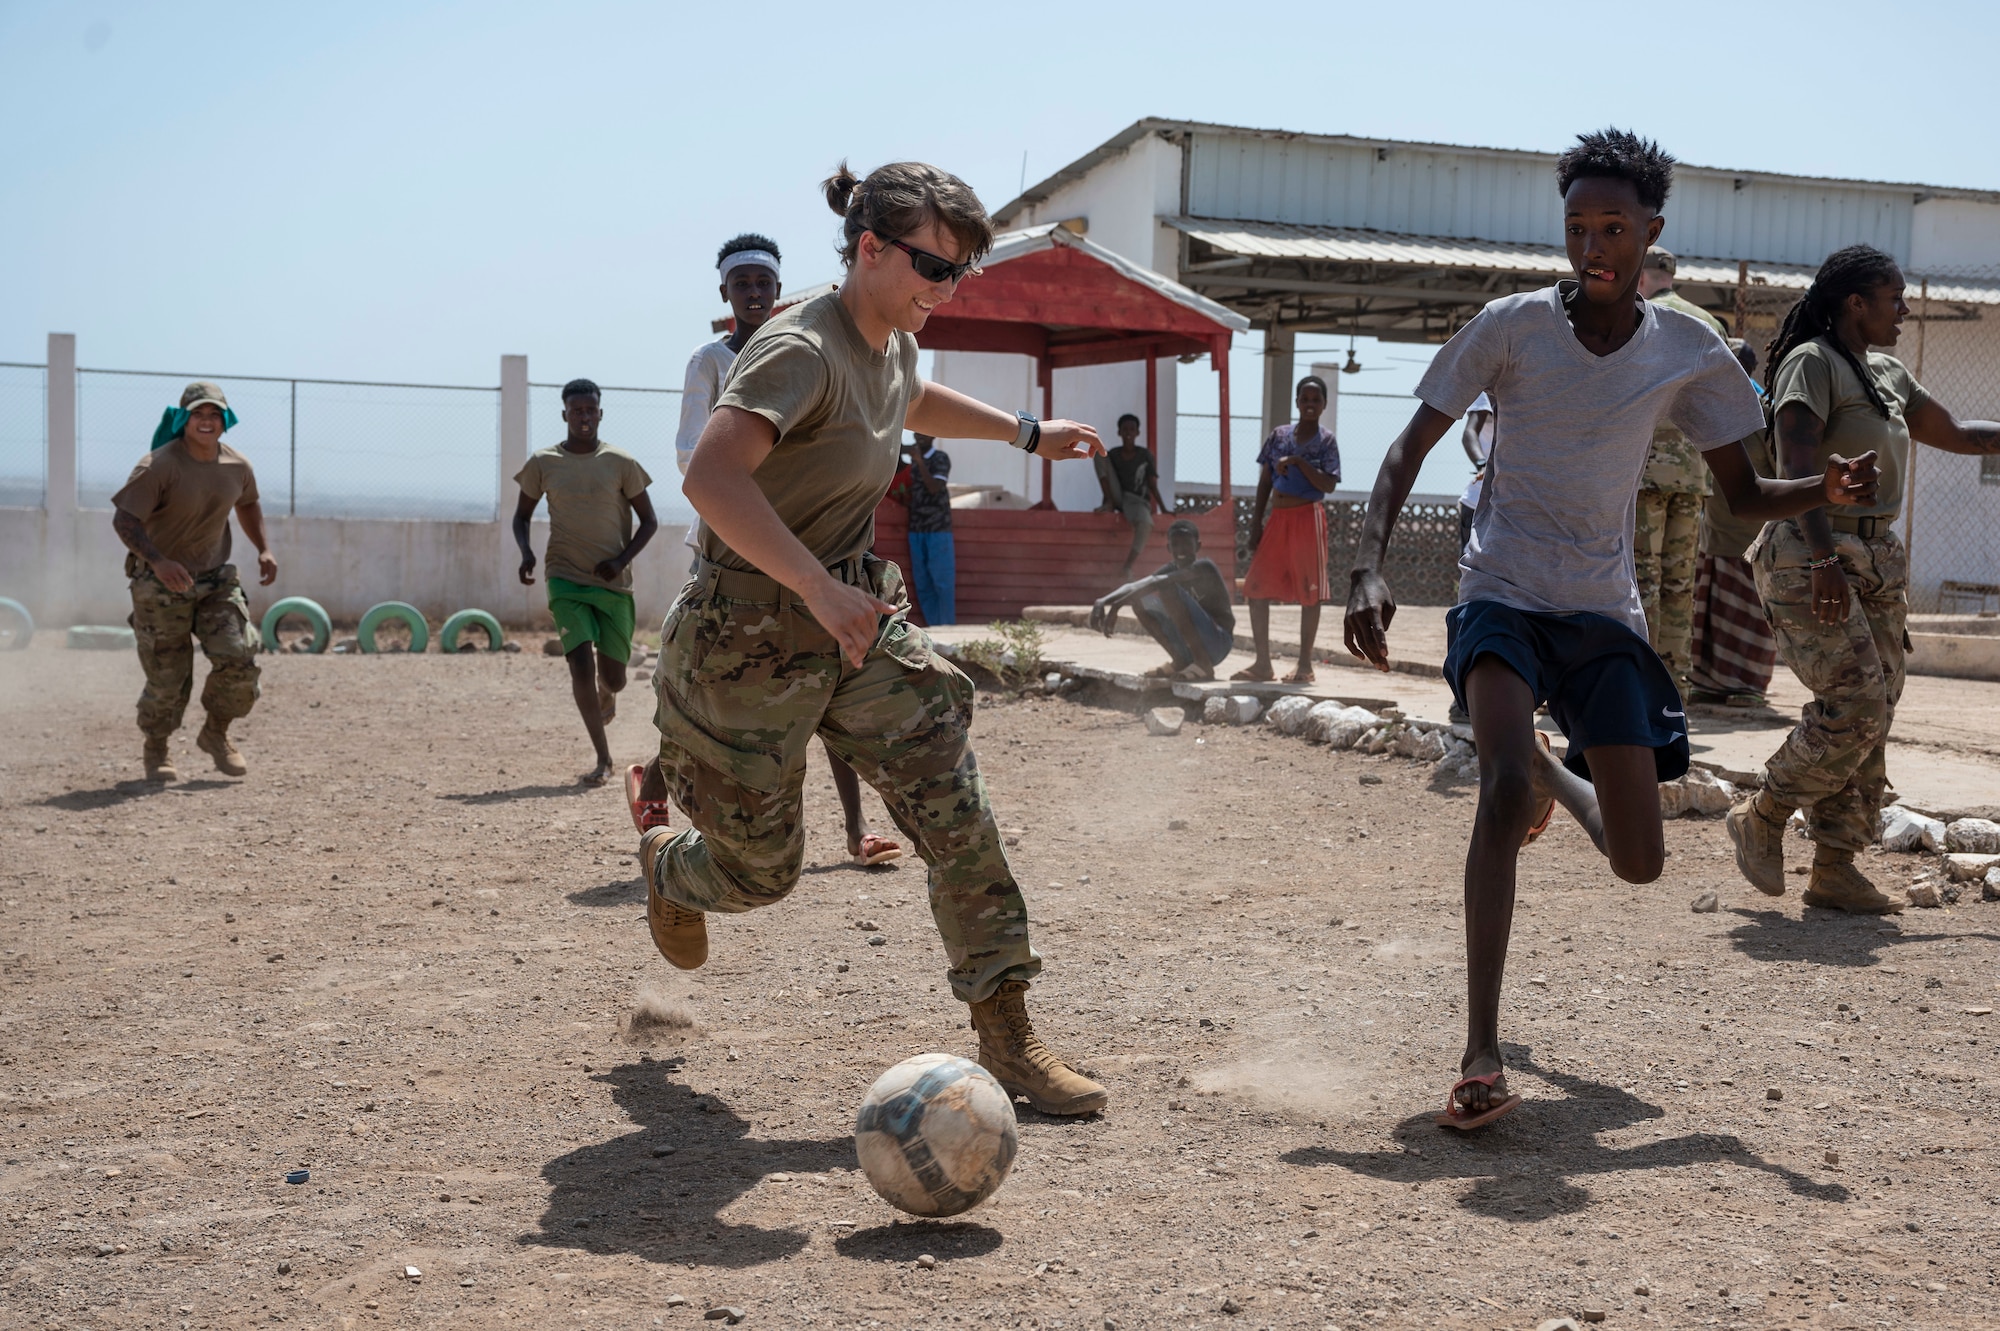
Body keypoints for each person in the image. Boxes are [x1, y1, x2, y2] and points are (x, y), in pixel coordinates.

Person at [1344, 129, 1878, 1130]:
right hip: (1500, 594)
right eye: (1577, 227)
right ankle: (1478, 1050)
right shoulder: (1507, 326)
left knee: (1639, 857)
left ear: (1649, 235)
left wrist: (1825, 485)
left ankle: (1551, 768)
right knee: (1495, 786)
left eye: (1613, 228)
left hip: (1599, 615)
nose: (1592, 245)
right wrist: (1368, 562)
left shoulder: (1687, 350)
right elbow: (1405, 445)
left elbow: (1741, 490)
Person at [632, 159, 1109, 1115]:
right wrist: (811, 585)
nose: (950, 287)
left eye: (962, 272)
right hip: (750, 632)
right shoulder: (797, 347)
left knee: (954, 807)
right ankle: (670, 866)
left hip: (854, 619)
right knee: (761, 872)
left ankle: (1007, 1034)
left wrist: (1027, 432)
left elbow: (907, 399)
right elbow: (712, 480)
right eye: (937, 268)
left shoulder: (889, 336)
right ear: (870, 249)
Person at [1728, 244, 2000, 914]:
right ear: (1857, 302)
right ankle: (1761, 812)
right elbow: (1796, 465)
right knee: (1854, 704)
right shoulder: (1811, 363)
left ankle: (1835, 867)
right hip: (1811, 549)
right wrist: (1822, 558)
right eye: (1894, 297)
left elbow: (1961, 434)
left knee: (1873, 714)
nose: (1904, 310)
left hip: (1878, 559)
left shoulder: (1886, 372)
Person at [668, 234, 903, 866]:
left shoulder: (808, 351)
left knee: (834, 680)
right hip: (738, 554)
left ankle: (856, 831)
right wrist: (755, 516)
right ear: (725, 292)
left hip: (817, 549)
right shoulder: (712, 361)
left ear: (777, 289)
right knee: (716, 690)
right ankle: (675, 805)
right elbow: (697, 457)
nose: (752, 292)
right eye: (740, 283)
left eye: (762, 283)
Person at [111, 381, 276, 782]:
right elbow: (125, 520)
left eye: (214, 414)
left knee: (239, 658)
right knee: (168, 676)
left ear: (224, 421)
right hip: (159, 581)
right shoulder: (158, 465)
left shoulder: (237, 465)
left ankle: (216, 734)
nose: (206, 421)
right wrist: (159, 561)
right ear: (184, 419)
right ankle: (157, 749)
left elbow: (248, 503)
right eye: (198, 414)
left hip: (216, 578)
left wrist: (264, 549)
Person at [513, 379, 659, 787]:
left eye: (589, 410)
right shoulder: (543, 463)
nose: (583, 417)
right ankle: (603, 758)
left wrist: (621, 560)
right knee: (579, 664)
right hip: (564, 578)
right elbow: (521, 516)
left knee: (613, 678)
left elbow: (649, 522)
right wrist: (526, 551)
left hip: (613, 584)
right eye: (575, 410)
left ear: (600, 413)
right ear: (565, 414)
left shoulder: (621, 463)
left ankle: (607, 691)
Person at [1633, 246, 1731, 684]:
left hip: (1643, 471)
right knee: (1679, 585)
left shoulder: (1638, 317)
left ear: (1639, 275)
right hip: (1694, 473)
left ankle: (1639, 684)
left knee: (1641, 581)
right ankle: (1675, 689)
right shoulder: (1707, 322)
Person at [1687, 340, 1780, 708]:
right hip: (1716, 529)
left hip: (1751, 535)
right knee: (1710, 611)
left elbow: (1779, 466)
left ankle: (1748, 686)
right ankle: (1709, 682)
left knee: (1750, 611)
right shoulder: (1708, 406)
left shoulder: (1762, 413)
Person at [1236, 376, 1339, 684]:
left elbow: (1329, 484)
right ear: (1297, 402)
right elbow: (1265, 480)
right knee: (1255, 588)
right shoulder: (1278, 436)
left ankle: (1305, 665)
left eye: (1315, 400)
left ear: (1323, 405)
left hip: (1308, 518)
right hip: (1277, 519)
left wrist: (1297, 462)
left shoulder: (1326, 441)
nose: (1309, 405)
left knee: (1311, 592)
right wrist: (1256, 523)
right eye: (1304, 399)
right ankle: (1263, 664)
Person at [1089, 519, 1234, 681]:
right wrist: (1102, 601)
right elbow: (1136, 586)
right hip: (1190, 646)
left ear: (1198, 546)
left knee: (1166, 587)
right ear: (1169, 548)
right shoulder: (1171, 568)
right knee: (1140, 601)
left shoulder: (1205, 567)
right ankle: (1180, 660)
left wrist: (1117, 605)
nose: (1181, 549)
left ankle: (1203, 665)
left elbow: (1159, 582)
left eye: (1187, 544)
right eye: (1176, 544)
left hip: (1218, 642)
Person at [1093, 413, 1165, 579]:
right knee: (1098, 453)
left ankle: (1128, 566)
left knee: (1146, 524)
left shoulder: (1145, 455)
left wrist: (1164, 507)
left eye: (1132, 429)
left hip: (1137, 501)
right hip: (1119, 498)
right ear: (1119, 432)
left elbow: (1152, 484)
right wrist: (1108, 501)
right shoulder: (1114, 455)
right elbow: (1109, 478)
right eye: (1124, 429)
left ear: (1137, 433)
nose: (1128, 433)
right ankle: (1109, 503)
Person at [902, 432, 956, 625]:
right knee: (923, 584)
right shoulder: (913, 463)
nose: (919, 437)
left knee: (942, 583)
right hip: (916, 529)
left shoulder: (940, 458)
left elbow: (935, 487)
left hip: (938, 529)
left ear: (933, 436)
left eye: (924, 434)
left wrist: (919, 461)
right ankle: (935, 628)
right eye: (917, 434)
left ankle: (948, 629)